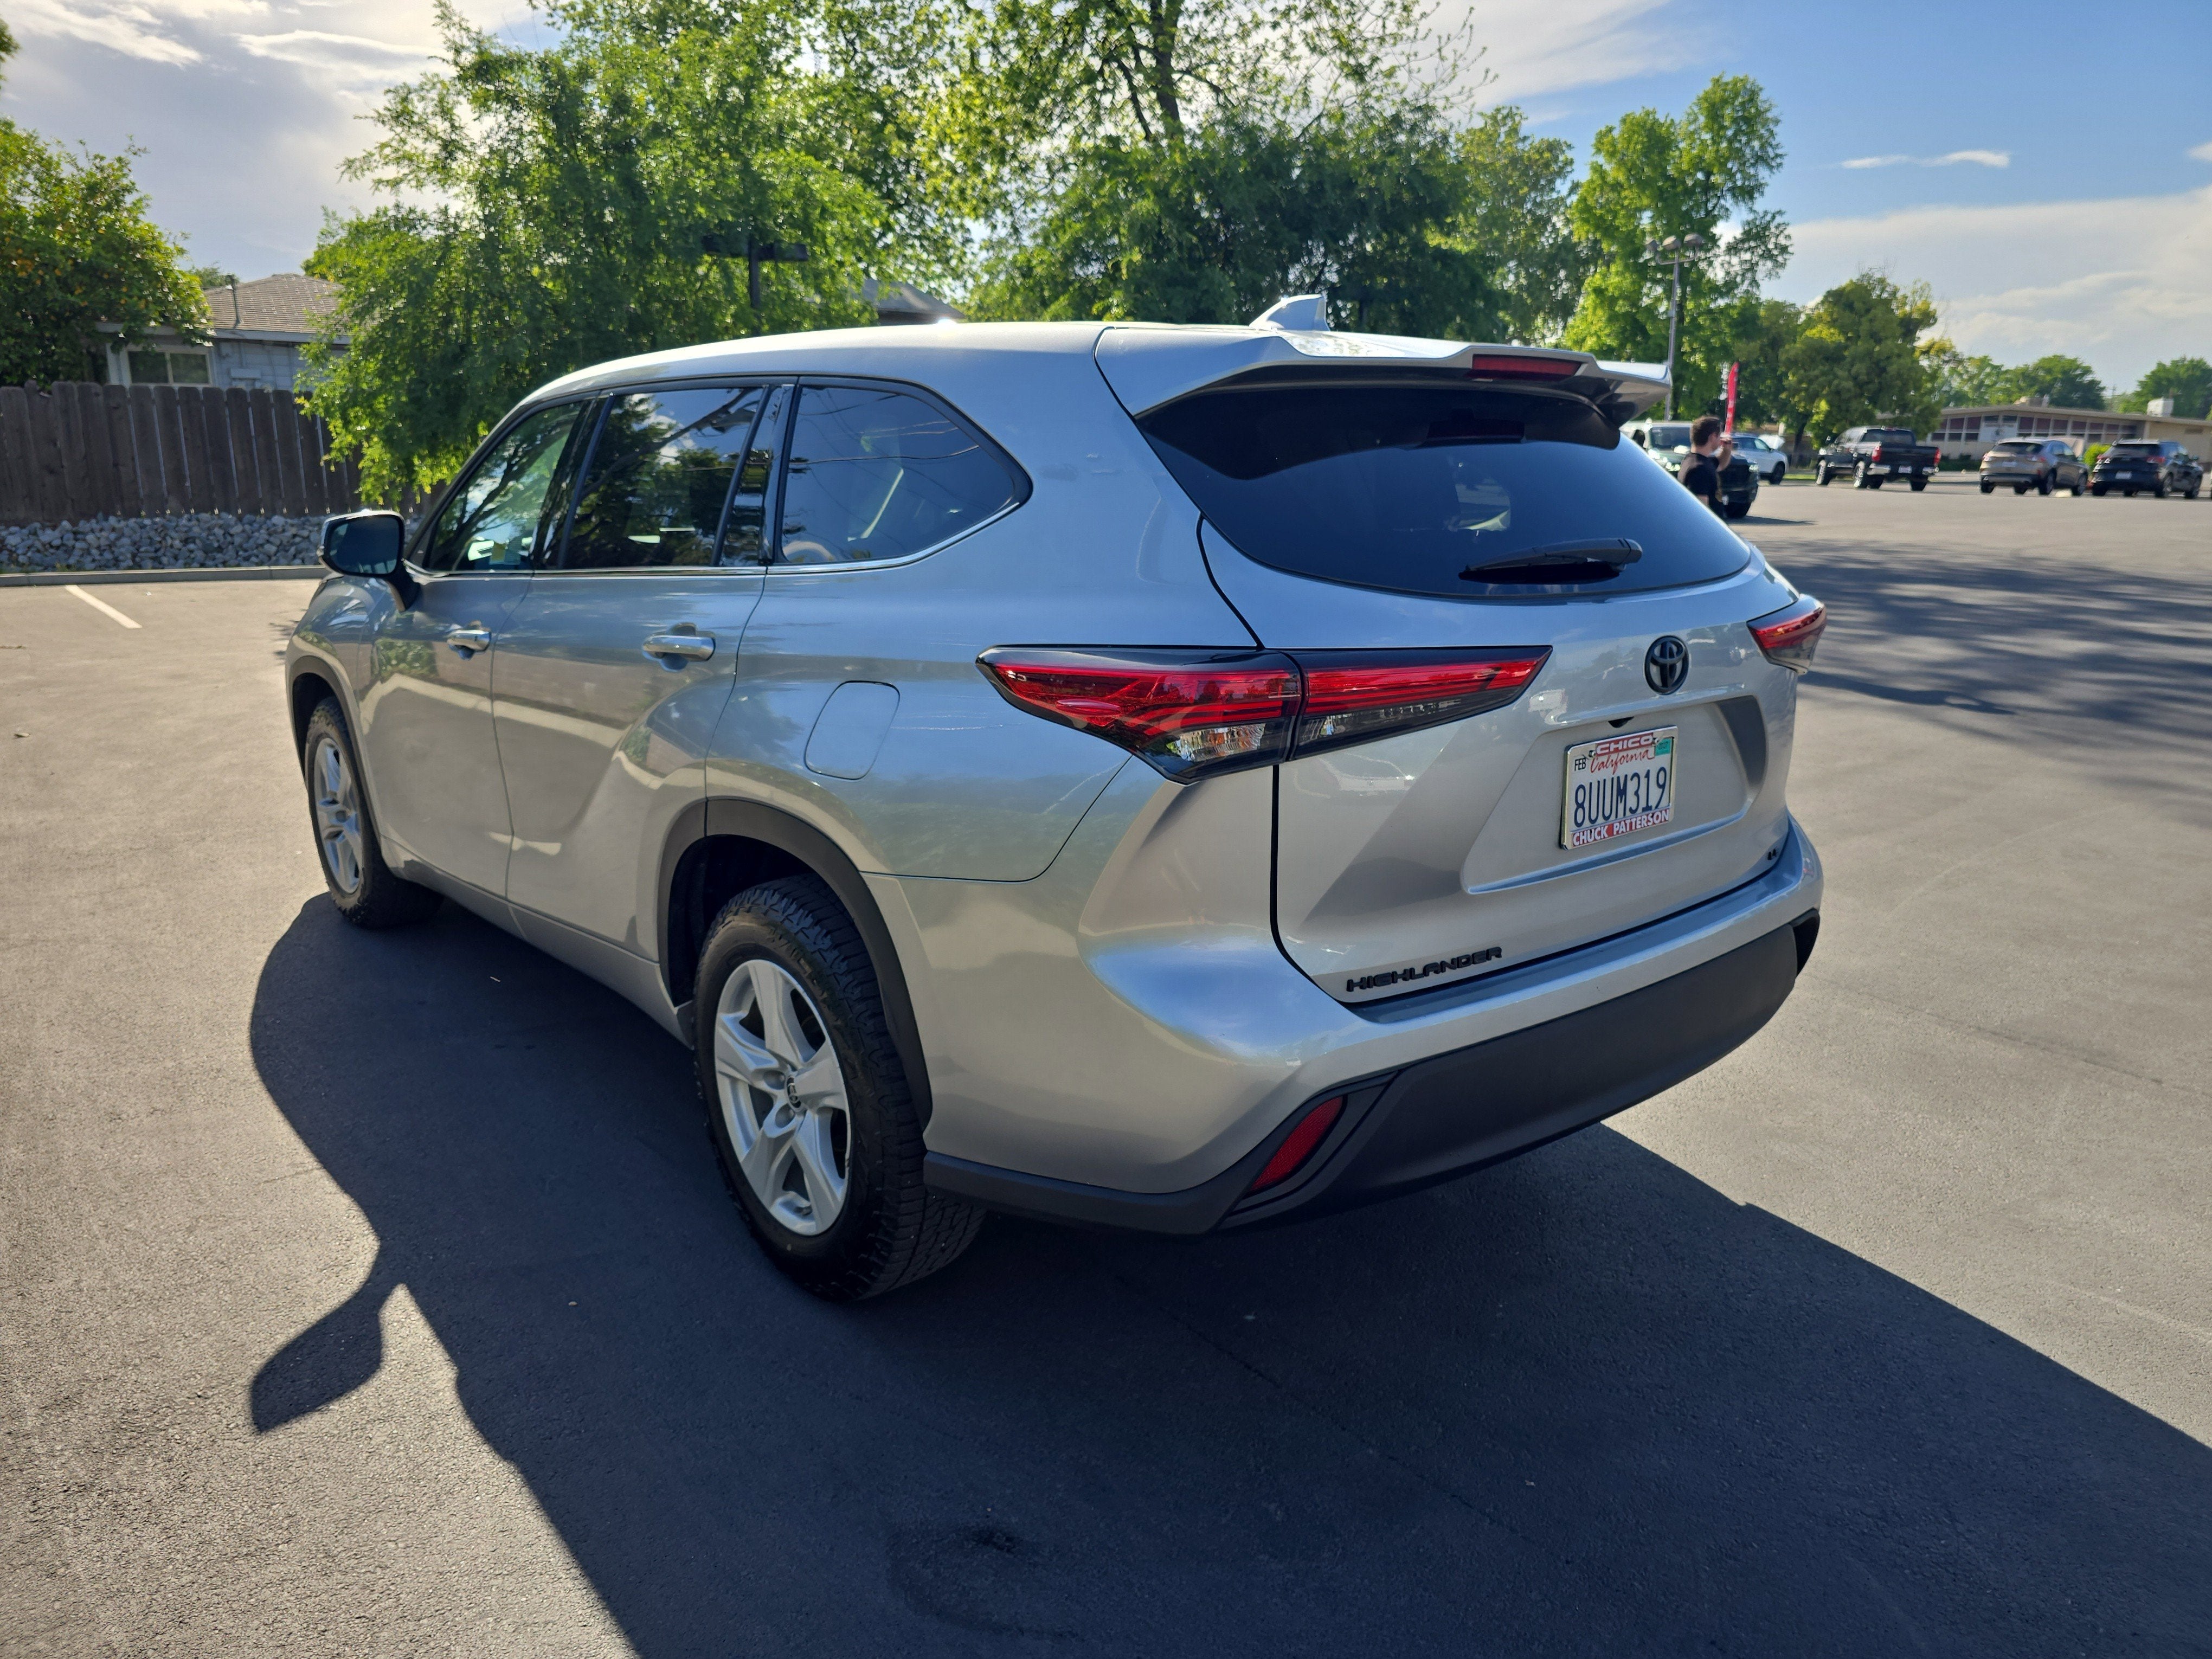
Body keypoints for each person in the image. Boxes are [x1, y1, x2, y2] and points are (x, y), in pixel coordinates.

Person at [1677, 415, 1733, 516]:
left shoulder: (1695, 461)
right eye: (1719, 435)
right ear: (1712, 437)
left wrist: (1727, 449)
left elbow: (1721, 464)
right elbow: (1700, 512)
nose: (1721, 438)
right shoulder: (1699, 470)